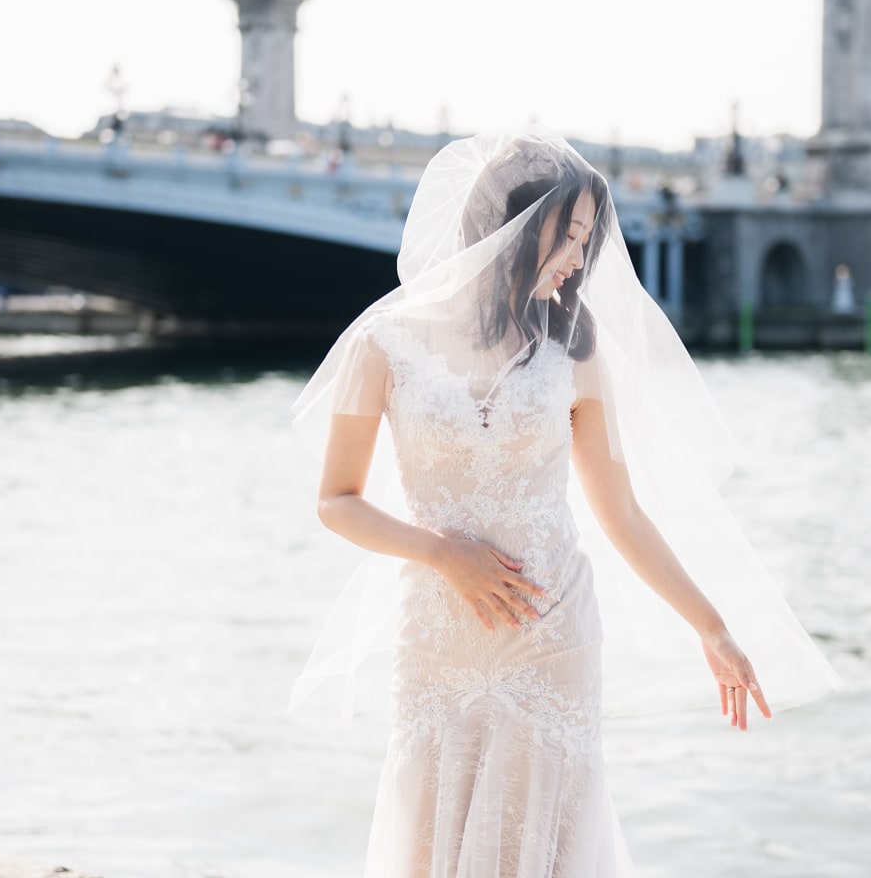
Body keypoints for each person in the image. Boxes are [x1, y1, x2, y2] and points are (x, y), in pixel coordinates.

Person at [293, 134, 840, 875]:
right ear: (514, 225)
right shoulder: (383, 345)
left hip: (553, 633)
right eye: (572, 234)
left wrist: (711, 628)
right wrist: (441, 553)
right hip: (437, 632)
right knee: (432, 818)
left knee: (543, 832)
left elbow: (622, 513)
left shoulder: (574, 351)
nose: (581, 258)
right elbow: (336, 501)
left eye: (587, 238)